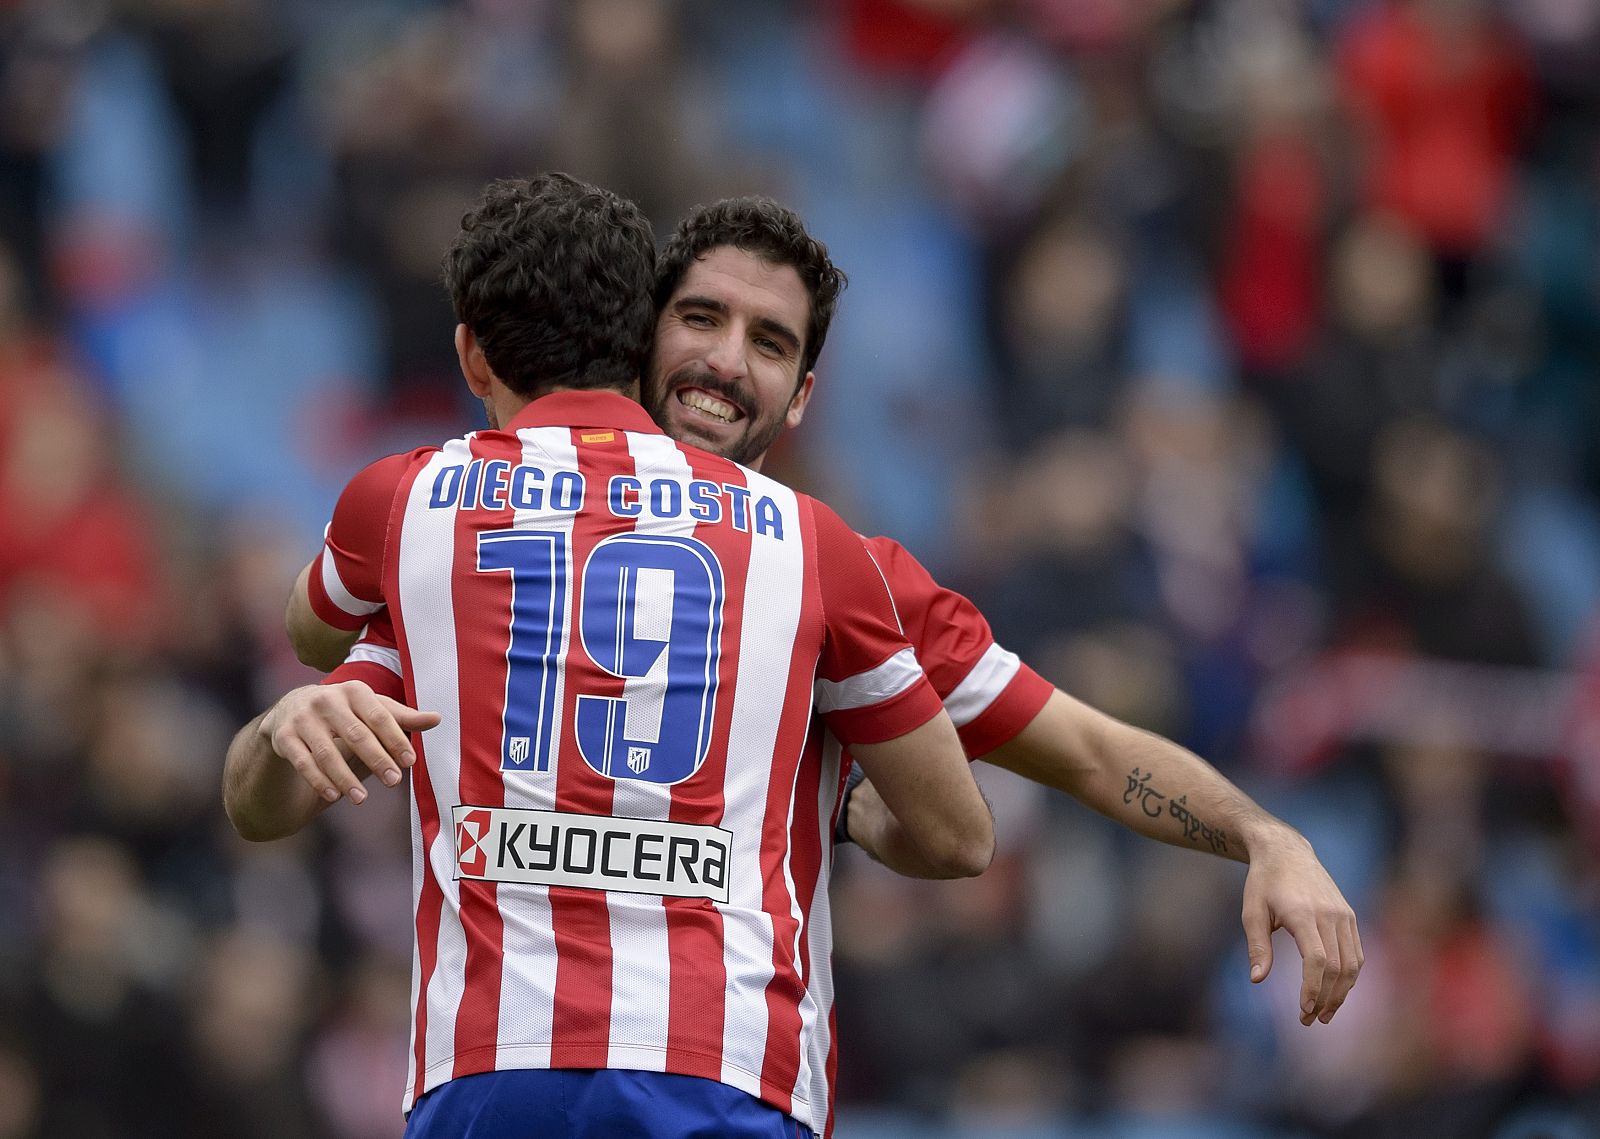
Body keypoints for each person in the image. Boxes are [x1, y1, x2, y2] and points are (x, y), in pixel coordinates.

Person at [243, 194, 1360, 1132]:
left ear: (804, 393)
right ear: (636, 332)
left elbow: (1081, 748)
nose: (727, 362)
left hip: (557, 1075)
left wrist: (1265, 831)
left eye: (769, 343)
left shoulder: (822, 565)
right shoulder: (473, 552)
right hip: (692, 1081)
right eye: (701, 318)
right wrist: (281, 730)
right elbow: (282, 766)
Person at [223, 173, 994, 1139]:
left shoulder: (411, 510)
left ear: (470, 351)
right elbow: (960, 837)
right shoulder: (806, 541)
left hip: (491, 1072)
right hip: (727, 1070)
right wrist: (830, 806)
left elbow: (301, 660)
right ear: (644, 343)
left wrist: (291, 714)